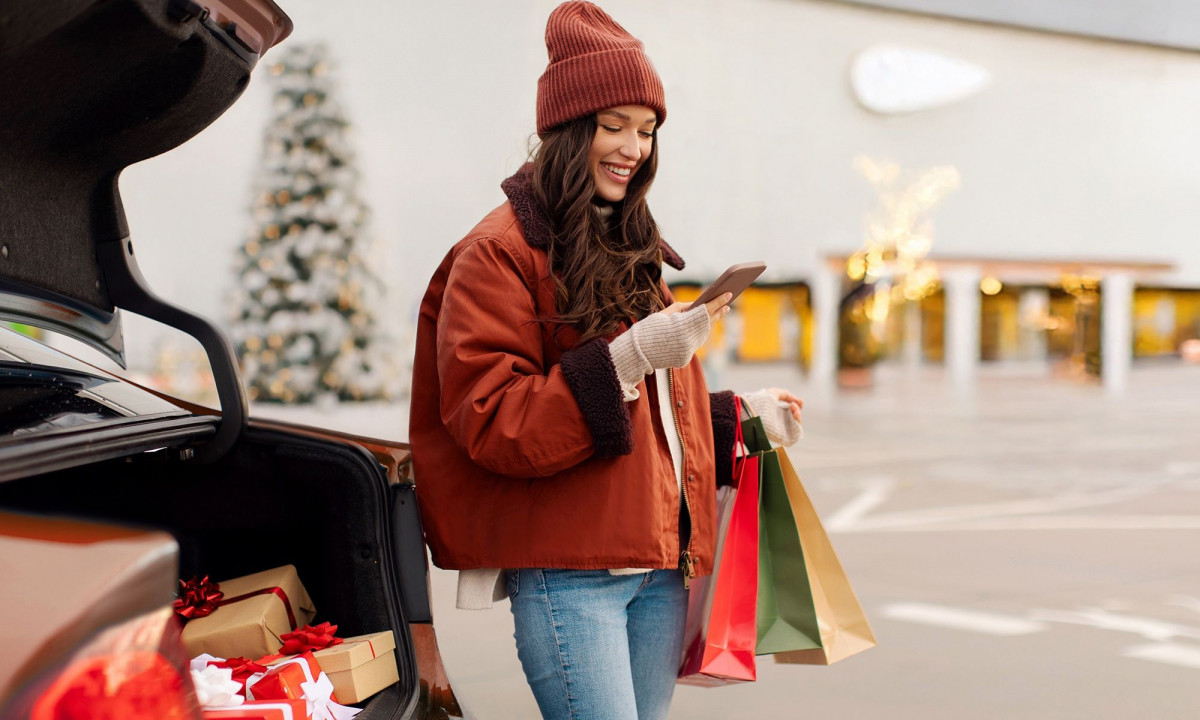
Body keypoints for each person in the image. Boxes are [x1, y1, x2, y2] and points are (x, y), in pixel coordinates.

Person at [409, 3, 803, 718]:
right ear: (565, 129)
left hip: (658, 567)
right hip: (573, 578)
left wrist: (737, 421)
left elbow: (648, 412)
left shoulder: (628, 246)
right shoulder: (497, 253)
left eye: (647, 129)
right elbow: (493, 422)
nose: (634, 147)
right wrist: (624, 358)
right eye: (613, 124)